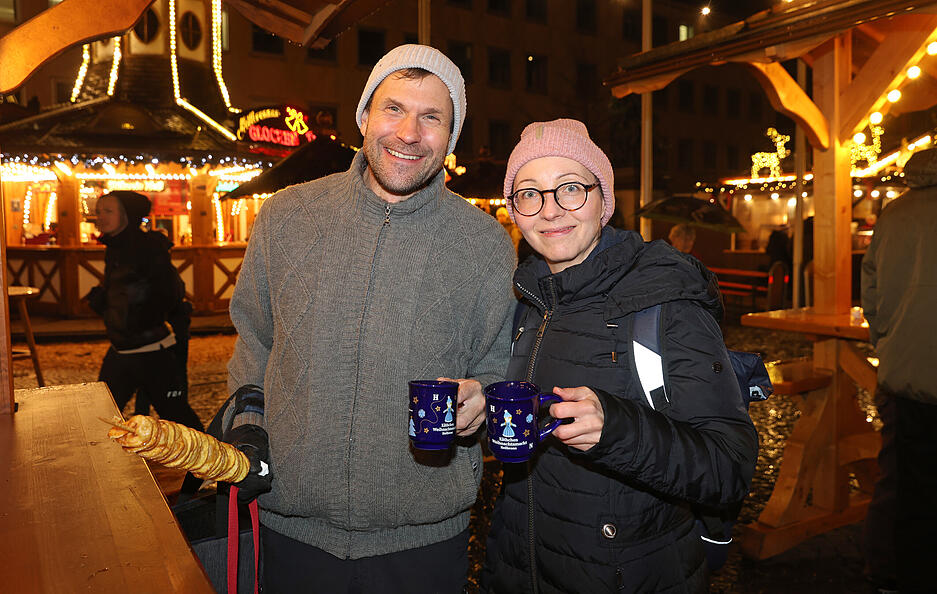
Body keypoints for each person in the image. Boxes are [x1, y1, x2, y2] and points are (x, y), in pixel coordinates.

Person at [223, 44, 516, 593]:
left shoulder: (486, 246)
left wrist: (483, 398)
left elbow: (500, 369)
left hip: (425, 544)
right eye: (393, 108)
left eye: (432, 117)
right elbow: (253, 345)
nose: (409, 132)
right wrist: (248, 430)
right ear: (363, 116)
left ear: (450, 138)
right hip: (290, 532)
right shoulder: (286, 216)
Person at [481, 119, 758, 593]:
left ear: (603, 200)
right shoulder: (527, 301)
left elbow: (729, 466)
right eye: (529, 193)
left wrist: (617, 429)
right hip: (520, 568)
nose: (549, 210)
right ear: (514, 209)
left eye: (570, 188)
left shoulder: (663, 301)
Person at [861, 148, 937, 594]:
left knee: (901, 482)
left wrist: (888, 342)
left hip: (903, 373)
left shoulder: (894, 213)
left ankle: (889, 573)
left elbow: (872, 293)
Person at [85, 191, 202, 431]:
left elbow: (171, 291)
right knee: (100, 413)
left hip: (152, 352)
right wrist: (105, 300)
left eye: (108, 211)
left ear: (127, 215)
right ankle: (103, 467)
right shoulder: (115, 247)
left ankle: (212, 465)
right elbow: (122, 291)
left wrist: (139, 314)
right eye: (98, 211)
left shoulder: (147, 248)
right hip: (122, 349)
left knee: (179, 417)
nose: (100, 217)